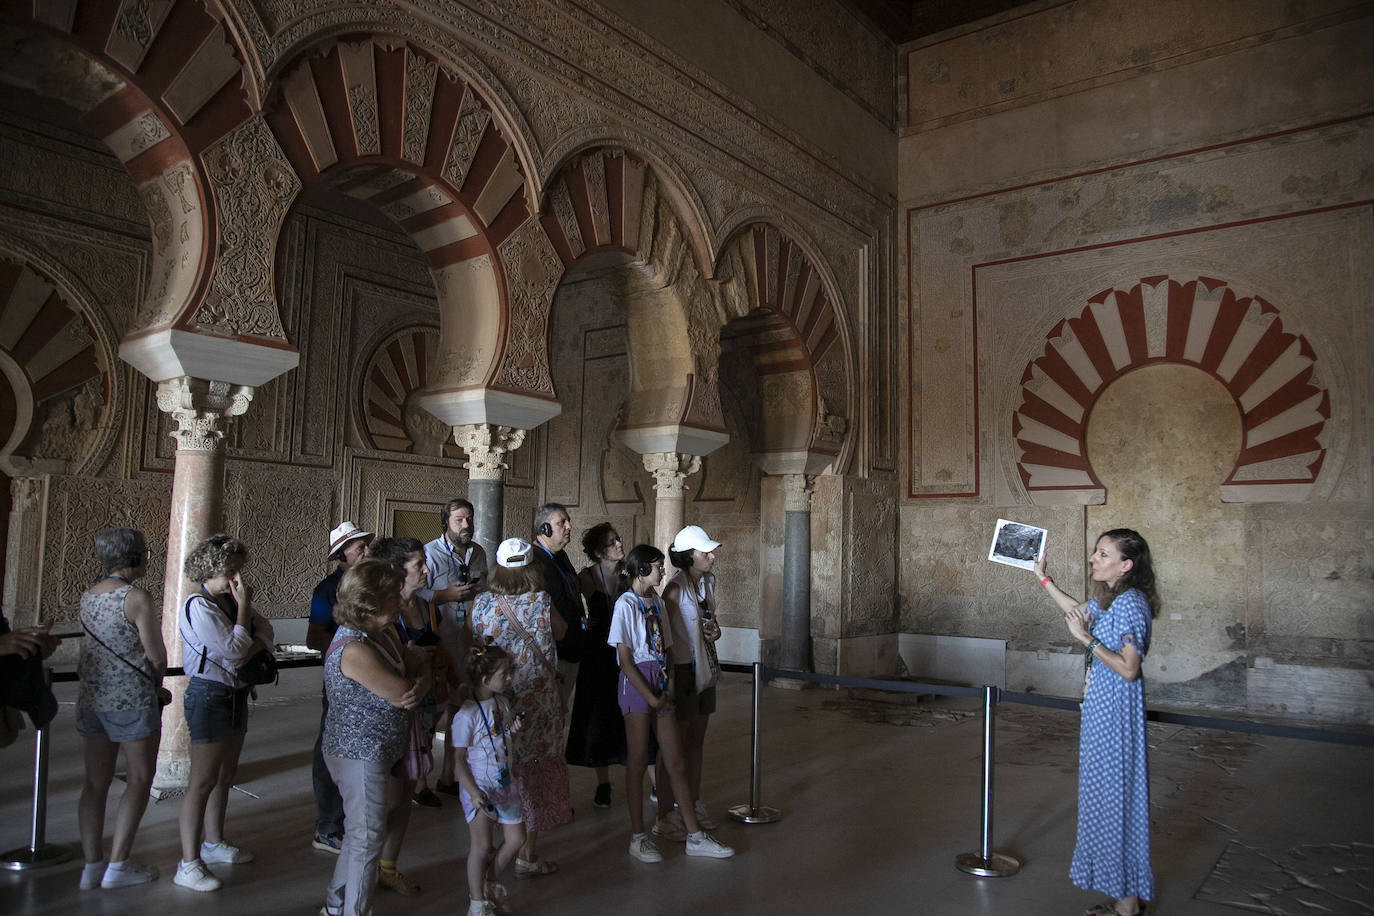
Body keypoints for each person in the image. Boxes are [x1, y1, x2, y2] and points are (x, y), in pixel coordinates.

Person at [1033, 529, 1158, 916]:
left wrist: (1084, 639)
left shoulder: (1131, 604)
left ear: (1126, 565)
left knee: (1115, 802)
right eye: (1095, 552)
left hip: (1116, 718)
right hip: (1101, 713)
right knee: (1106, 803)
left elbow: (1128, 668)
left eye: (1103, 554)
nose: (1093, 559)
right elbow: (1078, 612)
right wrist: (1042, 579)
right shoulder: (1115, 599)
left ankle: (1128, 907)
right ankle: (1126, 902)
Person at [320, 558, 431, 916]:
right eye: (392, 595)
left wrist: (421, 674)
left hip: (380, 748)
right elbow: (405, 692)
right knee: (366, 839)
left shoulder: (381, 634)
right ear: (370, 603)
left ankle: (337, 906)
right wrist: (418, 677)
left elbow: (421, 672)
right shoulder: (354, 649)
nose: (401, 600)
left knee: (360, 835)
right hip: (358, 753)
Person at [610, 544, 733, 863]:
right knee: (637, 762)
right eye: (656, 568)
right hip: (637, 683)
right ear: (640, 571)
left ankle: (694, 835)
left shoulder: (658, 603)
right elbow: (624, 660)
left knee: (676, 759)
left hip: (661, 680)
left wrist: (669, 687)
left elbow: (667, 646)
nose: (662, 572)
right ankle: (638, 836)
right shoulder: (625, 604)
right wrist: (651, 695)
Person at [175, 534, 274, 892]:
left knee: (225, 776)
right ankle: (187, 862)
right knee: (201, 781)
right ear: (210, 570)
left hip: (235, 694)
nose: (237, 581)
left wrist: (251, 635)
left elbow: (265, 630)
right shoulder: (199, 606)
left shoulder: (228, 604)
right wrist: (245, 612)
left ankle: (213, 843)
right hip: (209, 696)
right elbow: (234, 650)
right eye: (230, 572)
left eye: (238, 571)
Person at [470, 537, 572, 878]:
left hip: (498, 701)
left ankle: (494, 839)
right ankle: (526, 852)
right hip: (538, 701)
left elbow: (473, 642)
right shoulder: (541, 601)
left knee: (502, 767)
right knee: (534, 771)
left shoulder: (482, 603)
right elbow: (561, 632)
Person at [76, 527, 166, 890]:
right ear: (133, 556)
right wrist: (157, 683)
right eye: (145, 551)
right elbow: (156, 657)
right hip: (131, 701)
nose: (148, 556)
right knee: (140, 778)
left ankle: (91, 866)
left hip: (92, 700)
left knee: (94, 784)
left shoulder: (88, 595)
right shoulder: (137, 598)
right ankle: (118, 865)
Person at [369, 535, 455, 893]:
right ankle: (367, 866)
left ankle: (389, 865)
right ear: (395, 570)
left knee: (404, 795)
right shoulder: (379, 614)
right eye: (418, 563)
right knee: (383, 799)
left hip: (422, 703)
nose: (427, 568)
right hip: (390, 710)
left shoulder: (424, 605)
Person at [307, 521, 374, 854]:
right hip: (341, 682)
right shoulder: (327, 590)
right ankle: (328, 825)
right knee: (329, 749)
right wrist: (351, 648)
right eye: (359, 547)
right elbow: (314, 636)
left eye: (365, 545)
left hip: (369, 682)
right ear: (342, 554)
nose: (366, 551)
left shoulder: (369, 585)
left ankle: (354, 820)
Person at [654, 525, 724, 836]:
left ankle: (693, 803)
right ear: (687, 557)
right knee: (675, 747)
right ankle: (667, 813)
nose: (711, 555)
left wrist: (714, 631)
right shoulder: (674, 590)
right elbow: (666, 638)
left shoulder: (707, 582)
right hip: (682, 670)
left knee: (696, 741)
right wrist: (669, 678)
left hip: (704, 668)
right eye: (704, 552)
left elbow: (708, 620)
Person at [451, 641, 526, 916]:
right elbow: (457, 762)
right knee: (482, 846)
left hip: (505, 784)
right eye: (504, 674)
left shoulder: (503, 702)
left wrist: (514, 731)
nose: (510, 678)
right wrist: (472, 792)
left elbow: (502, 739)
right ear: (485, 679)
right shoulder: (465, 715)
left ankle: (491, 880)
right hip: (480, 788)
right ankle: (476, 901)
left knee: (517, 839)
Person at [420, 498, 487, 796]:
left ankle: (449, 776)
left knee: (460, 708)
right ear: (446, 521)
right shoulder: (430, 553)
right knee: (431, 711)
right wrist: (443, 595)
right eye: (459, 519)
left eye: (469, 519)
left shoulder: (479, 554)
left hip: (468, 640)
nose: (466, 525)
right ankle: (418, 781)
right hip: (440, 640)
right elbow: (414, 592)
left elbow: (483, 592)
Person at [565, 522, 627, 810]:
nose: (619, 544)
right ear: (600, 551)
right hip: (597, 652)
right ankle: (603, 782)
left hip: (624, 650)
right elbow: (567, 606)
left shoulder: (629, 575)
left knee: (629, 713)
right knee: (598, 714)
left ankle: (645, 774)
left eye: (618, 540)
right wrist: (581, 622)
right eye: (613, 542)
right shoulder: (587, 577)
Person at [530, 503, 583, 700]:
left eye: (568, 521)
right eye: (562, 522)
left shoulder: (560, 556)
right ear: (545, 528)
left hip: (571, 647)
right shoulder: (533, 559)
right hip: (552, 653)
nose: (569, 526)